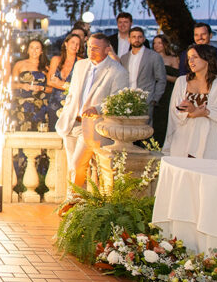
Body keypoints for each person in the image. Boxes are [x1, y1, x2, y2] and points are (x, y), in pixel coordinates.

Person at [56, 34, 128, 187]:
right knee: (72, 167)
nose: (91, 51)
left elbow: (118, 101)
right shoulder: (80, 65)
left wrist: (98, 109)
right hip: (71, 122)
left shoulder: (117, 71)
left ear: (107, 49)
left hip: (92, 126)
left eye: (96, 48)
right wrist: (66, 111)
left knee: (77, 165)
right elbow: (72, 93)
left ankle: (73, 202)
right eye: (89, 47)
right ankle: (76, 203)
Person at [164, 44, 217, 160]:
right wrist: (194, 112)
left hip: (211, 138)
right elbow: (174, 110)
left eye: (195, 57)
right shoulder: (182, 82)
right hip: (184, 138)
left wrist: (199, 111)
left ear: (207, 59)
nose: (191, 61)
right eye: (189, 58)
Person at [124, 27, 166, 121]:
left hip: (146, 101)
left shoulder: (154, 56)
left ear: (143, 39)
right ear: (129, 39)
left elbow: (161, 79)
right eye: (134, 37)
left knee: (144, 131)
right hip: (126, 100)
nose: (137, 39)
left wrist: (155, 99)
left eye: (139, 37)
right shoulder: (124, 58)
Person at [12, 39, 49, 131]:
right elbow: (11, 84)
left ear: (41, 51)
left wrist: (41, 88)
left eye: (37, 48)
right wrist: (22, 86)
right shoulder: (19, 64)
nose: (34, 51)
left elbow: (51, 88)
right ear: (27, 50)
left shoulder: (46, 67)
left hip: (40, 106)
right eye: (31, 48)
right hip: (22, 105)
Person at [46, 34, 81, 131]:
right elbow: (49, 81)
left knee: (70, 133)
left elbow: (80, 87)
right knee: (53, 133)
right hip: (55, 104)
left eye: (78, 44)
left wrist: (59, 83)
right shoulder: (56, 60)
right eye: (73, 42)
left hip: (72, 105)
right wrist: (69, 87)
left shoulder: (81, 62)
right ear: (66, 44)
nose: (75, 46)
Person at [151, 34, 180, 143]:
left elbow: (178, 79)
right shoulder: (151, 58)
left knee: (165, 119)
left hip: (168, 92)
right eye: (154, 43)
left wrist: (163, 76)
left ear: (165, 44)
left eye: (159, 43)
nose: (156, 46)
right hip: (154, 91)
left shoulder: (173, 59)